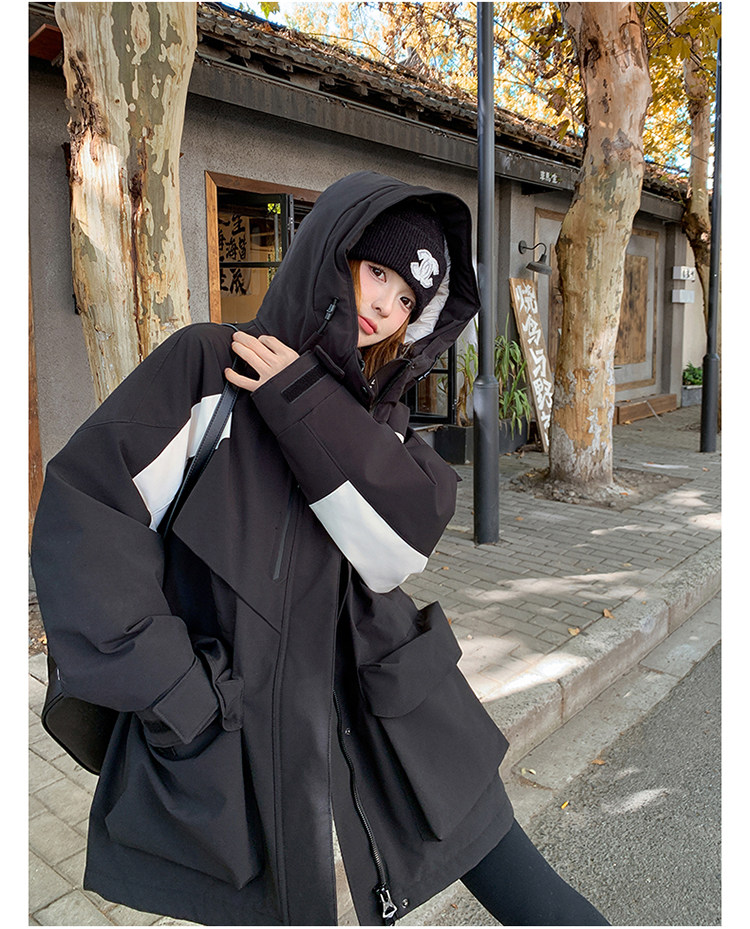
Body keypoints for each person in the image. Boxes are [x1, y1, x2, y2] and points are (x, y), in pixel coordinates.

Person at [31, 171, 608, 926]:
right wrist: (175, 690)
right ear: (331, 253)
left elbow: (402, 545)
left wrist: (301, 396)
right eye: (378, 272)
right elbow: (86, 518)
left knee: (531, 892)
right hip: (236, 716)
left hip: (390, 709)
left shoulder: (379, 412)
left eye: (408, 300)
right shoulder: (210, 365)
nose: (387, 306)